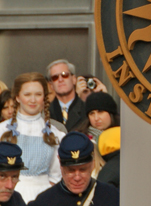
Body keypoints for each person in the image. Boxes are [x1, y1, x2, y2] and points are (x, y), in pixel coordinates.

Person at [0, 73, 65, 203]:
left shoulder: (56, 134)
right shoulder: (2, 130)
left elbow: (56, 174)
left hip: (44, 197)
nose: (33, 100)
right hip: (9, 196)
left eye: (38, 94)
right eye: (27, 94)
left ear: (44, 97)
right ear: (17, 97)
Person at [30, 132, 119, 206]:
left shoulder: (111, 196)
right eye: (71, 170)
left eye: (83, 170)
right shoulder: (44, 202)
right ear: (60, 165)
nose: (77, 177)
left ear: (93, 164)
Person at [46, 61, 107, 133]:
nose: (60, 79)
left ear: (74, 79)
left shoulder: (88, 111)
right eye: (55, 77)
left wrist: (104, 97)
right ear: (51, 85)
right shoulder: (45, 112)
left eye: (64, 75)